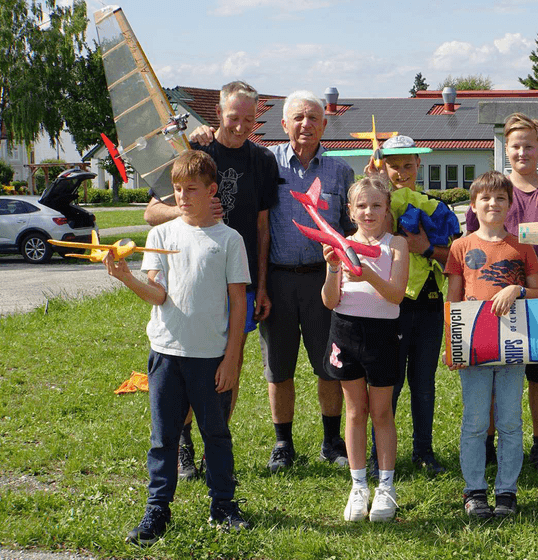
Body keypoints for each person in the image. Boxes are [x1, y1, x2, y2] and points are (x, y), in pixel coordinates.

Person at [108, 150, 250, 545]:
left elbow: (238, 304)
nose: (183, 197)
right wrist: (126, 278)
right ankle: (157, 509)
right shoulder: (160, 236)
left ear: (211, 190)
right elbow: (158, 295)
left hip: (211, 357)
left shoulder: (229, 239)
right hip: (167, 353)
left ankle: (223, 504)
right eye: (177, 190)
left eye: (191, 189)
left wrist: (232, 359)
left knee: (216, 435)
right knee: (163, 437)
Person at [150, 80, 280, 480]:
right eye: (232, 117)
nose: (240, 126)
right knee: (191, 366)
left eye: (248, 119)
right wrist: (189, 211)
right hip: (194, 282)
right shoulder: (196, 150)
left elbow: (263, 229)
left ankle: (215, 446)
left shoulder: (263, 161)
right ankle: (183, 444)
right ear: (219, 114)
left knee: (230, 365)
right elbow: (152, 212)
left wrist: (261, 285)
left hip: (239, 283)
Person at [465, 112, 538, 477]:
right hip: (494, 308)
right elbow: (470, 247)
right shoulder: (492, 193)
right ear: (506, 150)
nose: (522, 152)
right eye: (515, 146)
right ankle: (488, 445)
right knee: (494, 380)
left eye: (529, 145)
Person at [261, 91, 355, 472]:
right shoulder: (267, 165)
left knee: (329, 363)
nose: (306, 124)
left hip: (324, 281)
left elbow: (352, 226)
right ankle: (283, 444)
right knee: (278, 366)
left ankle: (331, 441)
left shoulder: (340, 171)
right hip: (279, 279)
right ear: (284, 124)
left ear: (324, 125)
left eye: (313, 118)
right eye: (298, 117)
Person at [446, 171, 538, 518]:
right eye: (485, 198)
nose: (493, 204)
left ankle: (506, 491)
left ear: (510, 204)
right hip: (475, 346)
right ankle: (474, 490)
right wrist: (454, 344)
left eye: (500, 198)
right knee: (475, 421)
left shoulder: (521, 246)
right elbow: (453, 301)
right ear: (473, 205)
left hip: (514, 345)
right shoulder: (460, 247)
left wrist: (516, 289)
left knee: (510, 422)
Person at [365, 135, 460, 474]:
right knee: (386, 384)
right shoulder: (374, 206)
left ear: (419, 164)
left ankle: (424, 452)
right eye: (393, 166)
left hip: (429, 303)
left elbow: (456, 257)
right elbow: (366, 243)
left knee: (423, 384)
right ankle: (378, 455)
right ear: (382, 166)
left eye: (408, 165)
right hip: (391, 305)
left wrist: (426, 248)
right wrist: (375, 188)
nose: (401, 172)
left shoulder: (434, 206)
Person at [321, 177, 409, 522]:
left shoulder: (396, 244)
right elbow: (329, 300)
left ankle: (386, 486)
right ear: (350, 211)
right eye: (361, 205)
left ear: (387, 209)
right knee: (356, 411)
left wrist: (367, 274)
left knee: (382, 412)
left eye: (376, 205)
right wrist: (333, 267)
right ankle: (358, 486)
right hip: (345, 331)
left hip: (383, 334)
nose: (368, 212)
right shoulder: (341, 244)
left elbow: (396, 295)